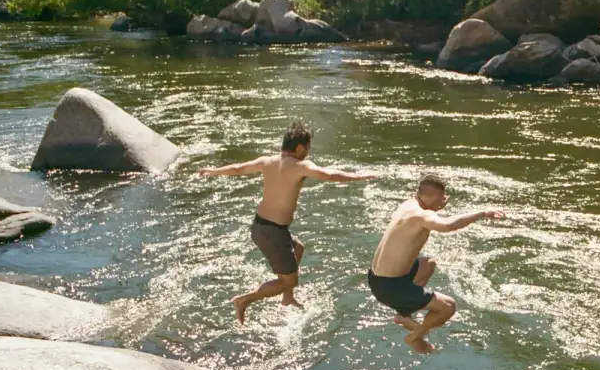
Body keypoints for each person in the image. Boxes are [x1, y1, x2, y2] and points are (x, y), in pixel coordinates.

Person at [199, 122, 376, 322]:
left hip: (261, 226)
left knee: (298, 247)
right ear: (300, 148)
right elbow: (329, 175)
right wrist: (359, 176)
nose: (308, 152)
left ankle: (287, 298)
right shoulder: (301, 165)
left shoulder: (267, 161)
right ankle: (244, 300)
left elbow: (238, 169)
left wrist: (213, 171)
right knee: (288, 281)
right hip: (272, 233)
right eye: (308, 148)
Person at [368, 174, 504, 353]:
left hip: (376, 277)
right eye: (443, 197)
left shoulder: (409, 205)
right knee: (448, 307)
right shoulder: (421, 215)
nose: (445, 200)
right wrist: (482, 213)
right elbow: (448, 225)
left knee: (428, 263)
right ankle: (415, 336)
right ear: (436, 197)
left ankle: (403, 315)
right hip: (390, 287)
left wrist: (435, 207)